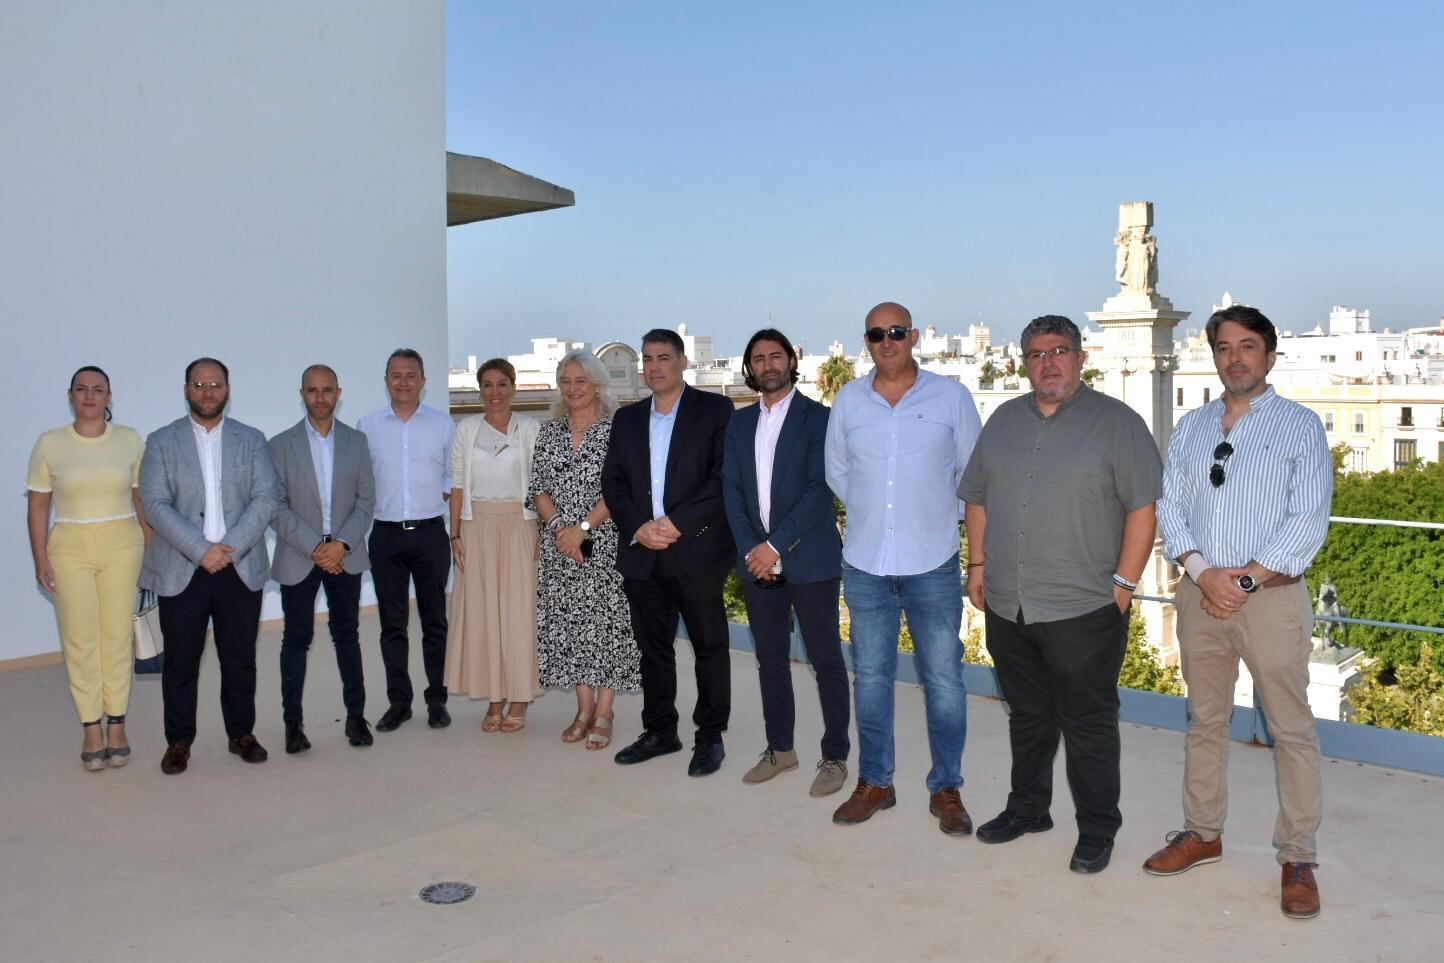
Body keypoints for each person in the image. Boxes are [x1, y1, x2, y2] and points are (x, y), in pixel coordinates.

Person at [958, 315, 1162, 874]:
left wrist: (1122, 585)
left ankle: (1098, 828)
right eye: (1036, 353)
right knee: (1027, 715)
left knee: (1088, 723)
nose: (1048, 362)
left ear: (1080, 357)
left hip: (1083, 606)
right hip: (1008, 601)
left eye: (1060, 351)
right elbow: (977, 497)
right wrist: (977, 564)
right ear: (1024, 362)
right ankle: (1028, 809)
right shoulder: (1002, 421)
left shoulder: (1118, 424)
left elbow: (1143, 509)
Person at [1149, 304, 1333, 919]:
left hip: (1272, 601)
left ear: (1270, 355)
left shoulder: (1300, 427)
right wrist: (1205, 574)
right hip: (1201, 598)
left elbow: (1307, 520)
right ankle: (1203, 832)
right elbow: (1169, 506)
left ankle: (1297, 856)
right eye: (1224, 347)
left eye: (1248, 346)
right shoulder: (1193, 427)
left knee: (1291, 729)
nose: (1235, 357)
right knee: (1204, 720)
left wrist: (1245, 580)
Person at [824, 301, 981, 834]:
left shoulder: (951, 397)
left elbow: (973, 474)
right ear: (865, 341)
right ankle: (875, 783)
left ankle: (947, 789)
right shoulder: (848, 401)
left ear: (913, 336)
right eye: (875, 334)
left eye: (895, 332)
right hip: (866, 563)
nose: (886, 341)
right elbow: (838, 474)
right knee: (869, 679)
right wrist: (877, 516)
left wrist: (937, 516)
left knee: (944, 681)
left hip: (932, 562)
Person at [722, 328, 851, 797]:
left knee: (826, 660)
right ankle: (781, 749)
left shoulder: (820, 419)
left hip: (811, 560)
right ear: (750, 368)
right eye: (758, 358)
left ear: (791, 362)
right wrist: (754, 550)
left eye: (776, 356)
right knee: (769, 658)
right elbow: (732, 491)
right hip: (757, 563)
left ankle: (835, 756)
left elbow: (822, 490)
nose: (768, 365)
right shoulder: (738, 424)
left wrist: (775, 546)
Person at [601, 328, 735, 777]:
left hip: (695, 549)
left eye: (663, 357)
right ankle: (660, 730)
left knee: (709, 647)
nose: (654, 366)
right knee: (652, 648)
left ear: (682, 362)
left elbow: (722, 479)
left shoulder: (714, 410)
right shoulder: (628, 419)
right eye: (648, 359)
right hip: (643, 551)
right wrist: (640, 527)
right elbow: (614, 484)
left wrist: (675, 523)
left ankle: (709, 736)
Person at [140, 358, 278, 774]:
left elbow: (265, 499)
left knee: (240, 658)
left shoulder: (252, 440)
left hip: (239, 566)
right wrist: (202, 550)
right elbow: (155, 504)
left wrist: (228, 548)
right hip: (183, 567)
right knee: (182, 661)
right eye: (198, 384)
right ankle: (178, 740)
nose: (207, 391)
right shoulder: (161, 441)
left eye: (215, 384)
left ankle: (241, 733)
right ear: (186, 390)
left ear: (228, 390)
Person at [27, 366, 148, 771]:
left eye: (98, 390)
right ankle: (90, 725)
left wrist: (152, 547)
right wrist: (41, 558)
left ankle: (117, 723)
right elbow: (39, 505)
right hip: (69, 548)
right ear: (71, 395)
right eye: (82, 389)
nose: (90, 396)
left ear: (109, 397)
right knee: (79, 638)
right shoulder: (50, 443)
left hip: (122, 545)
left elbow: (141, 498)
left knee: (115, 635)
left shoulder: (130, 440)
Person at [531, 349, 641, 751]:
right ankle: (583, 708)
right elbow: (538, 489)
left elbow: (620, 491)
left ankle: (605, 711)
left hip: (605, 542)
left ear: (596, 384)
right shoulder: (549, 432)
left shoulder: (617, 430)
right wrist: (562, 531)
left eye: (581, 380)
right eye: (566, 380)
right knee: (572, 626)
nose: (573, 388)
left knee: (607, 626)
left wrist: (582, 530)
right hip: (560, 547)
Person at [268, 364, 376, 753]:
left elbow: (366, 501)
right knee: (296, 639)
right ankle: (292, 725)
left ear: (338, 393)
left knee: (347, 636)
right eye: (312, 390)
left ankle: (355, 717)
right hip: (300, 555)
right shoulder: (279, 445)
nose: (320, 397)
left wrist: (341, 545)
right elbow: (275, 507)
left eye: (327, 390)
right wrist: (317, 547)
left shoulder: (357, 442)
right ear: (302, 394)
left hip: (345, 555)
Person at [358, 348, 456, 732]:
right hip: (385, 537)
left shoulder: (442, 424)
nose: (403, 382)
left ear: (423, 381)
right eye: (396, 375)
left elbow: (452, 475)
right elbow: (361, 480)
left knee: (435, 622)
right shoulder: (367, 426)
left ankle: (437, 700)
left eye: (411, 375)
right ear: (386, 382)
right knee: (392, 625)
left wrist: (439, 494)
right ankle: (399, 703)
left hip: (431, 533)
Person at [445, 358, 541, 732]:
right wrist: (455, 534)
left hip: (521, 526)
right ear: (479, 389)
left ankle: (519, 696)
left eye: (502, 384)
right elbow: (456, 486)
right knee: (484, 614)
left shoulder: (532, 428)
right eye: (487, 385)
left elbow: (542, 486)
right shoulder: (466, 430)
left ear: (514, 388)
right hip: (476, 528)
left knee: (519, 614)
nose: (495, 393)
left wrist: (542, 533)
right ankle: (494, 698)